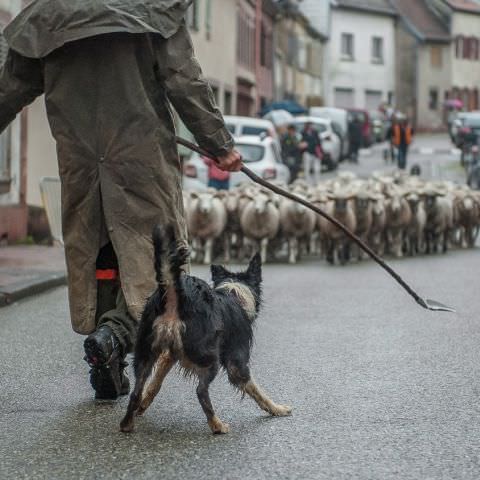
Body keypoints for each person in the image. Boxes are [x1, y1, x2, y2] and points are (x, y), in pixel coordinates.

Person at [0, 0, 242, 400]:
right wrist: (219, 144)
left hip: (80, 166)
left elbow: (8, 90)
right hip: (140, 163)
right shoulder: (152, 9)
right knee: (155, 270)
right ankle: (112, 339)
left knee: (104, 260)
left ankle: (107, 353)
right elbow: (184, 81)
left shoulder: (49, 13)